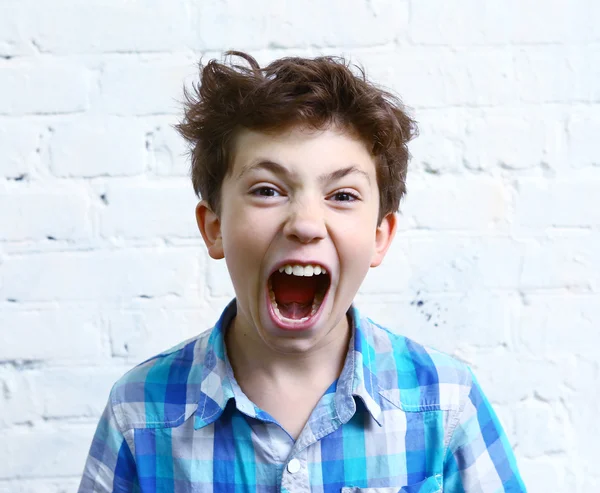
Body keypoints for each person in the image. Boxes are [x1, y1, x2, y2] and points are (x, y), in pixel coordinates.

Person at [78, 51, 526, 493]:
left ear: (379, 236)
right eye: (268, 190)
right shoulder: (139, 412)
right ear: (214, 228)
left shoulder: (446, 404)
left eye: (343, 195)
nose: (306, 223)